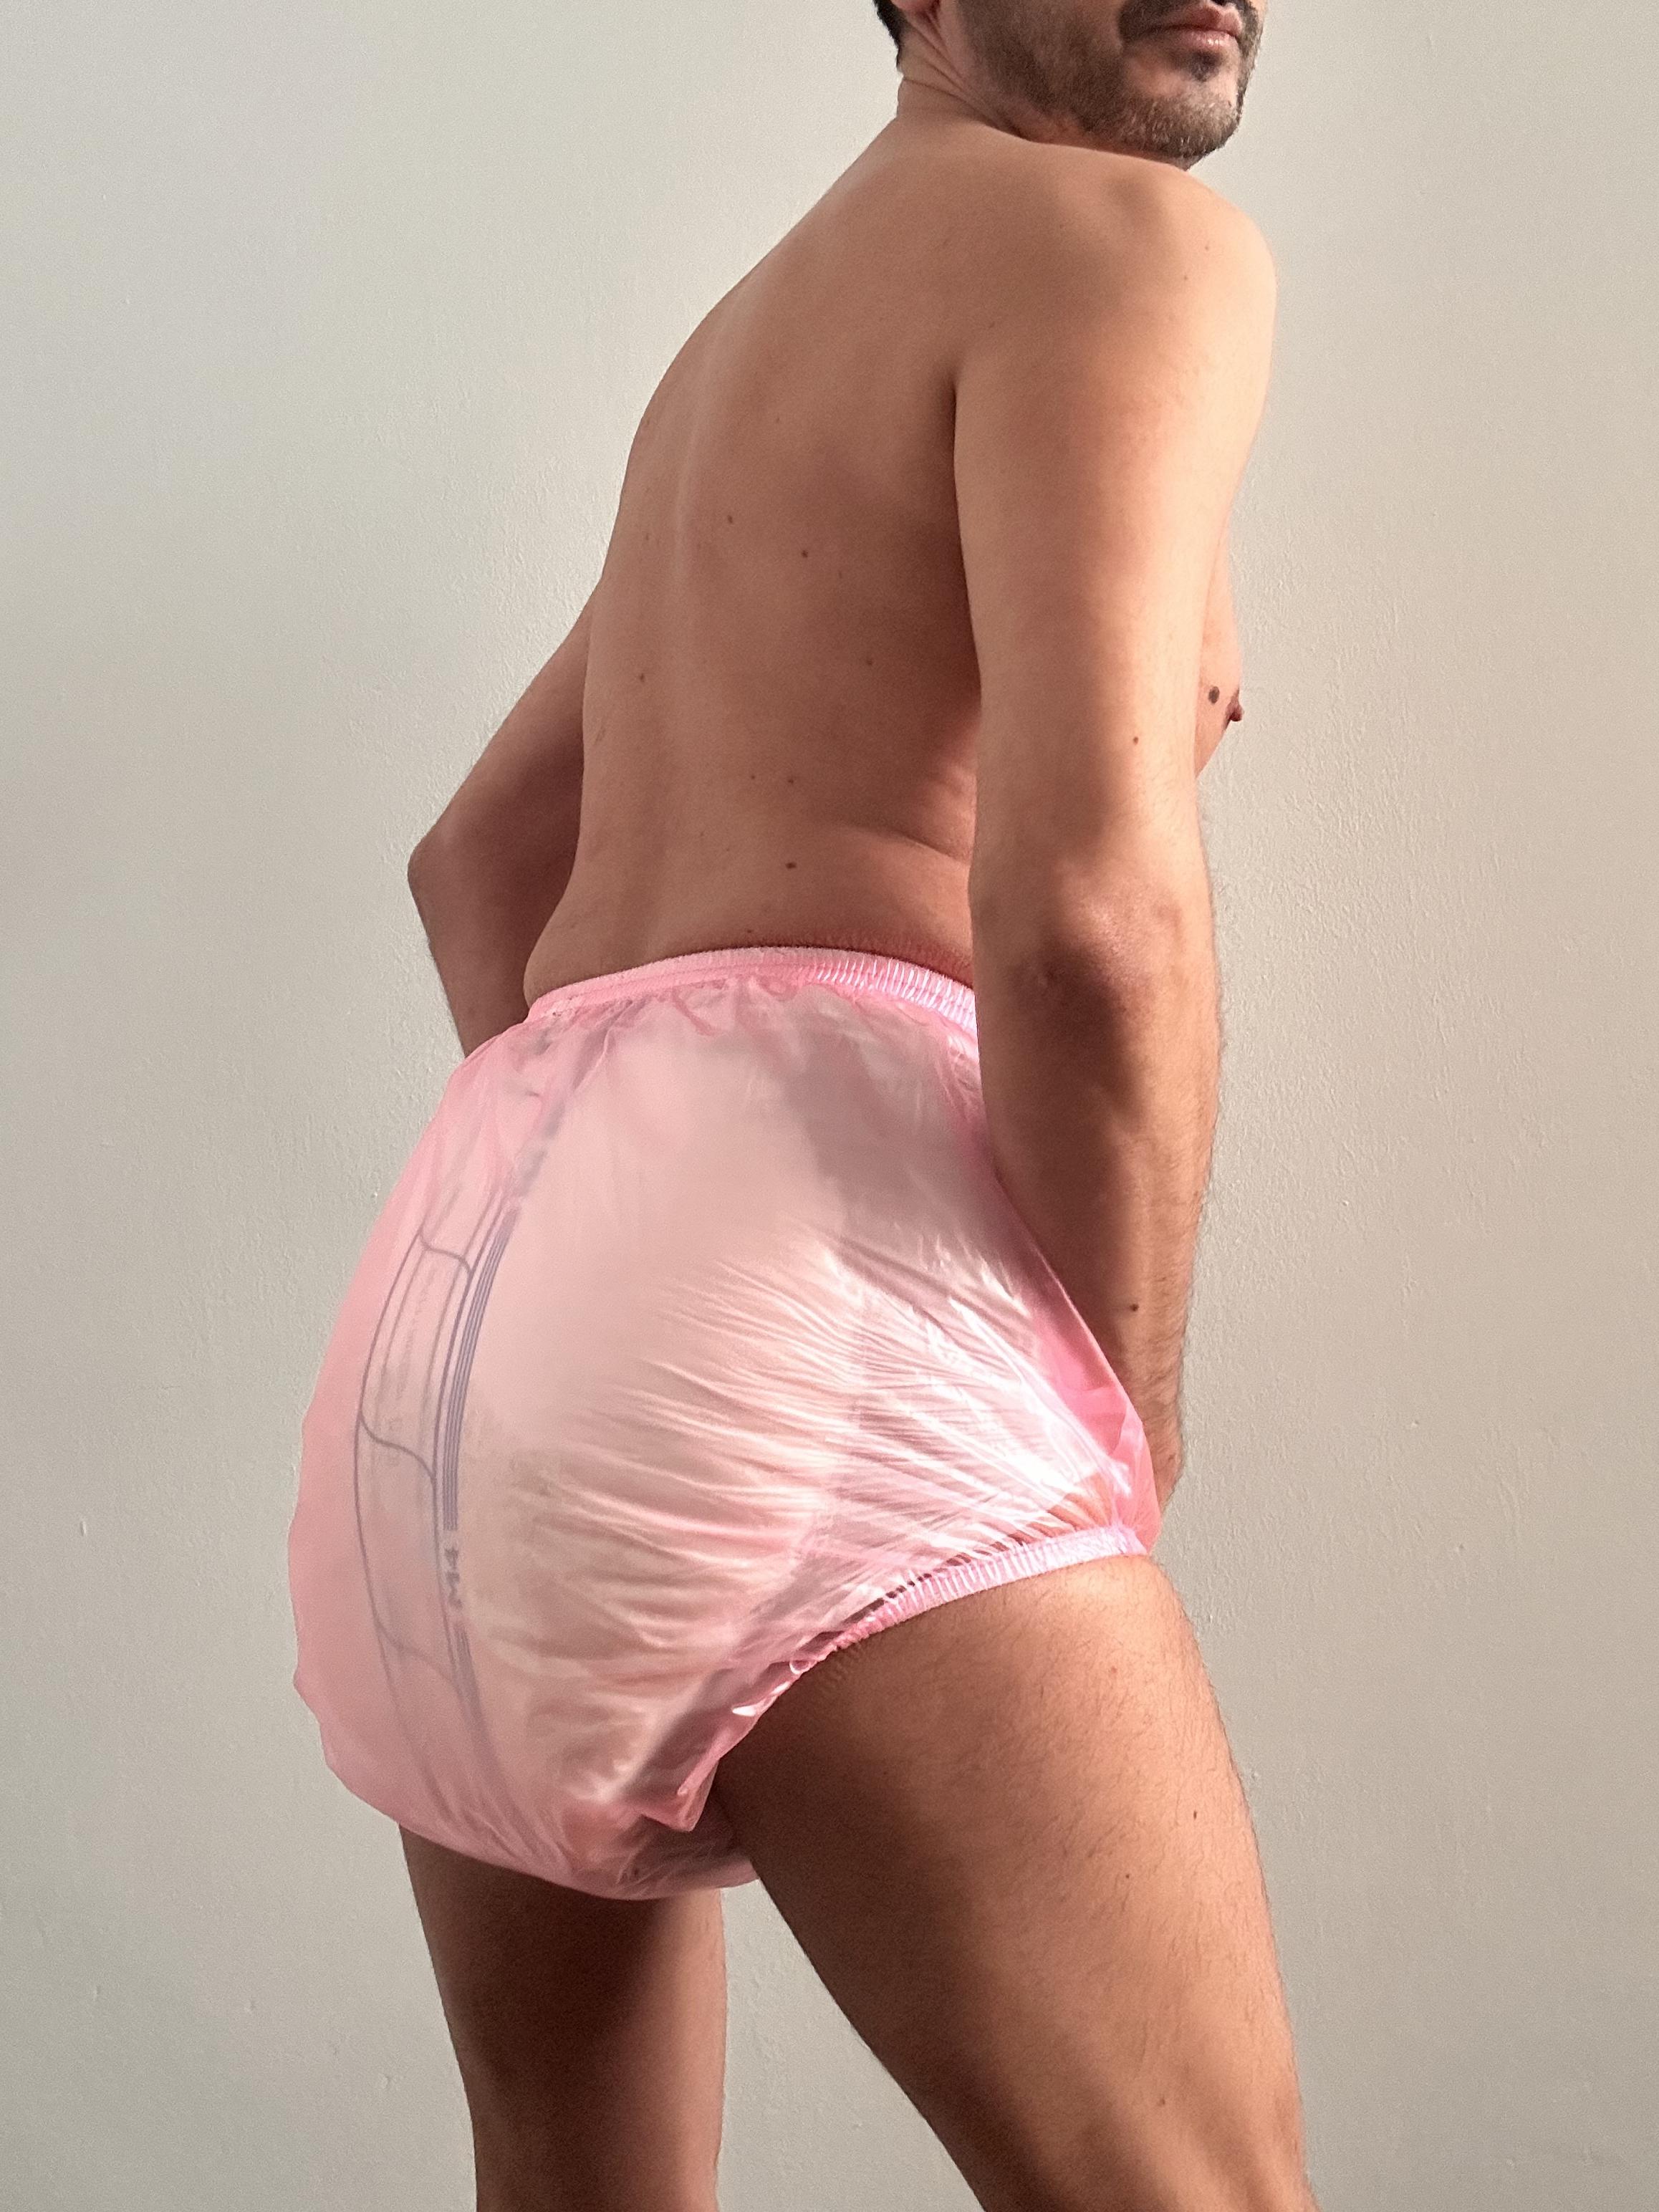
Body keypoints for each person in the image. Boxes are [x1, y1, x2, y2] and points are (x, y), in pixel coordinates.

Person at [287, 2, 1317, 2206]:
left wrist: (624, 1284)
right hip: (812, 1311)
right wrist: (1119, 1400)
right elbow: (1089, 920)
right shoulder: (1124, 244)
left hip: (454, 1356)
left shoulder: (743, 347)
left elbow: (479, 862)